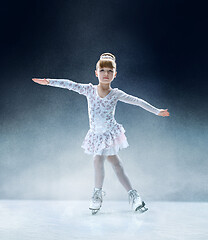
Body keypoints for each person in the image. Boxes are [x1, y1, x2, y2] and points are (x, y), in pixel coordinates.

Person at [32, 52, 169, 214]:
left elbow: (137, 101)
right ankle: (132, 195)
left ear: (115, 74)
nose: (106, 74)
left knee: (99, 160)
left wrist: (157, 111)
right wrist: (48, 82)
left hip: (110, 134)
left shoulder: (116, 94)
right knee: (116, 165)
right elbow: (69, 84)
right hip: (96, 135)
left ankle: (100, 194)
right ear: (96, 73)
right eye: (102, 70)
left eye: (110, 71)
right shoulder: (89, 90)